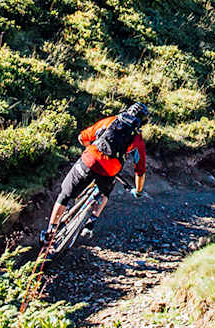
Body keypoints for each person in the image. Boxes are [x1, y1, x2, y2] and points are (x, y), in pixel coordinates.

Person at [40, 102, 148, 244]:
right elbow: (140, 170)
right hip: (111, 169)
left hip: (90, 160)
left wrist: (90, 148)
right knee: (105, 192)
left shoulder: (111, 120)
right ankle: (91, 222)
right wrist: (138, 190)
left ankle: (50, 232)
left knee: (65, 194)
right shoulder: (137, 138)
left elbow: (82, 137)